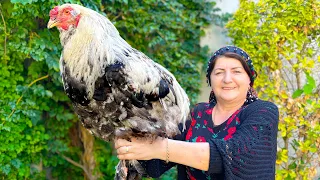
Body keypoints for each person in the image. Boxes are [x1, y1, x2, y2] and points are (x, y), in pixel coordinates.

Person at [115, 45, 279, 180]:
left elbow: (234, 155)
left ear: (249, 79)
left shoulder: (263, 112)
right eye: (219, 72)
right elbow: (155, 163)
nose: (227, 79)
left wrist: (159, 147)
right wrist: (132, 139)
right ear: (210, 80)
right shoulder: (198, 114)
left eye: (236, 71)